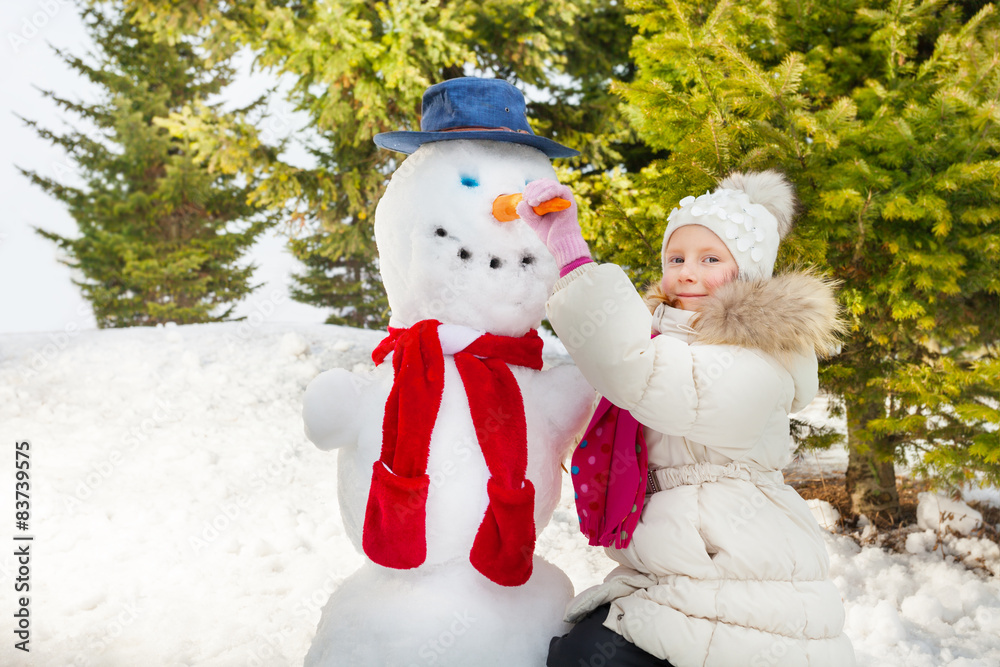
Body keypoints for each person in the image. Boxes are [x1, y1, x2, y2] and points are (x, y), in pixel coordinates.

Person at [517, 171, 856, 666]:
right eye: (676, 258)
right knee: (579, 651)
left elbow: (642, 374)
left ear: (750, 274)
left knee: (589, 656)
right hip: (676, 570)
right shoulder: (665, 339)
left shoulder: (762, 356)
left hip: (737, 572)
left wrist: (572, 252)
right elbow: (619, 380)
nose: (687, 273)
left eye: (710, 259)